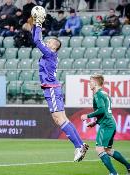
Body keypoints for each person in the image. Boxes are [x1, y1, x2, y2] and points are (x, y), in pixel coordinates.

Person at [32, 12, 88, 162]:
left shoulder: (50, 54)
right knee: (62, 118)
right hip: (51, 87)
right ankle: (80, 145)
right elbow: (36, 39)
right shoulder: (49, 55)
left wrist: (38, 24)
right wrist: (34, 24)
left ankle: (78, 146)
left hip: (51, 88)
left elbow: (37, 40)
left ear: (53, 47)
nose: (47, 43)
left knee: (58, 118)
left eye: (49, 42)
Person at [81, 73, 130, 175]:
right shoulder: (104, 93)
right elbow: (105, 111)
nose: (89, 84)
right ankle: (129, 166)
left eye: (90, 82)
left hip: (106, 125)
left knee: (99, 149)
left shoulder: (98, 94)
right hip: (110, 123)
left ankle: (113, 173)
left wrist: (87, 116)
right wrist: (95, 122)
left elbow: (101, 110)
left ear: (96, 83)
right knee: (107, 150)